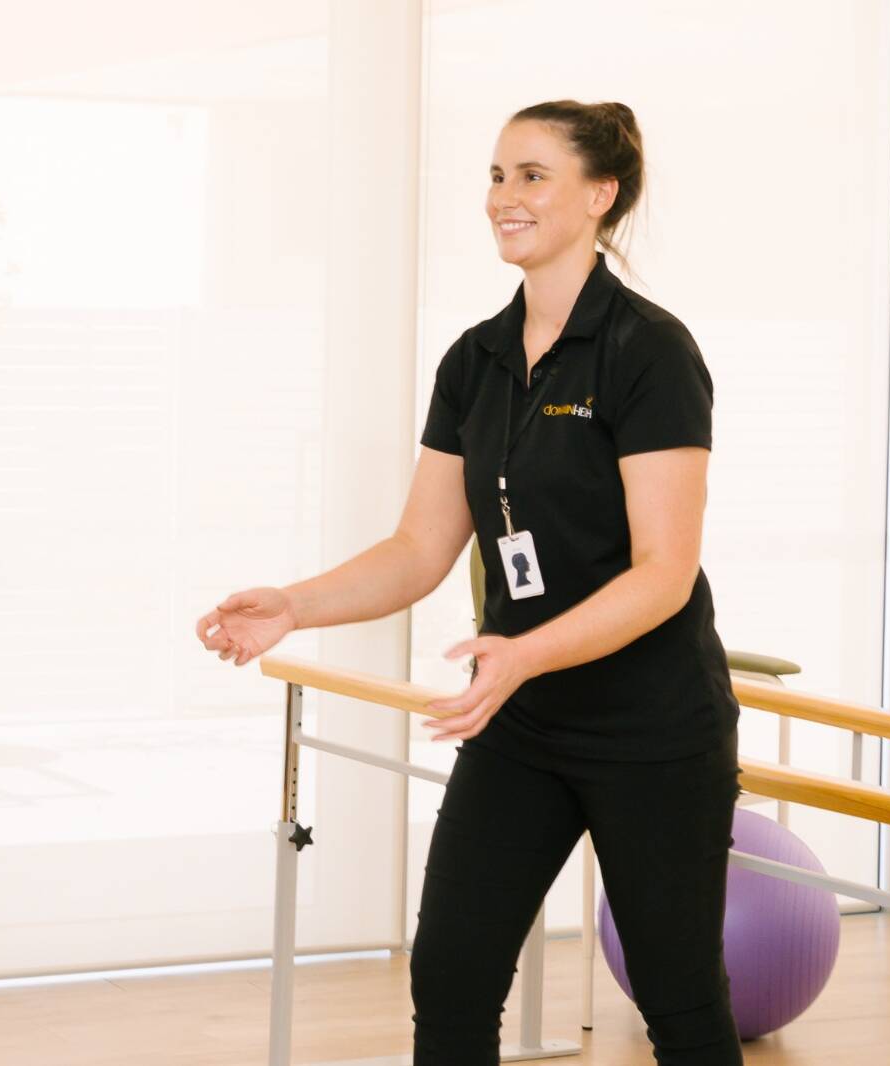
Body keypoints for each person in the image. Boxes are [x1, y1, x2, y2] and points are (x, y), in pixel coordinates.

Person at [196, 100, 744, 1065]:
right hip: (524, 722)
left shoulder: (648, 352)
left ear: (599, 194)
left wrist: (521, 652)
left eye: (533, 175)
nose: (504, 198)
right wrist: (294, 605)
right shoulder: (477, 358)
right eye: (496, 175)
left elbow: (665, 575)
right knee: (449, 975)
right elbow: (419, 547)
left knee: (679, 1000)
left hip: (651, 727)